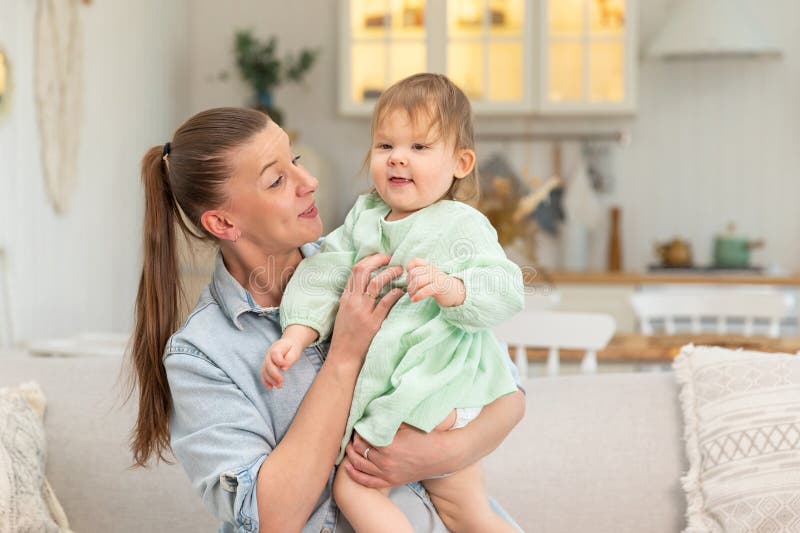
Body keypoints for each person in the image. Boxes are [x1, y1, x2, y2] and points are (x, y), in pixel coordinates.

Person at [127, 106, 526, 532]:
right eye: (277, 179)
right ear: (223, 222)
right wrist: (345, 353)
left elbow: (508, 390)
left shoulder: (371, 256)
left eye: (294, 160)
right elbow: (272, 519)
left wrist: (441, 455)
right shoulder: (203, 354)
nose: (309, 182)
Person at [263, 73, 524, 533]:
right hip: (436, 397)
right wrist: (297, 332)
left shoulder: (462, 225)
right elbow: (323, 273)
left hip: (432, 383)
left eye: (420, 147)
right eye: (385, 146)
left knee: (356, 487)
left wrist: (452, 288)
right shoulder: (364, 218)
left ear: (461, 162)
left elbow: (504, 289)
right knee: (467, 512)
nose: (398, 157)